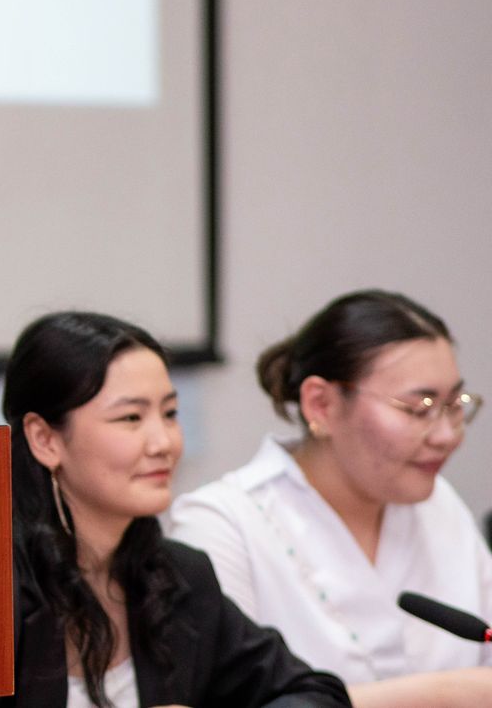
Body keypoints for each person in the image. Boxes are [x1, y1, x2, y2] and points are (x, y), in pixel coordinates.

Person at [0, 311, 350, 708]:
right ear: (45, 439)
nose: (163, 443)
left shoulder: (178, 576)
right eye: (131, 417)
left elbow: (317, 694)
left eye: (169, 414)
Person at [168, 290, 492, 707]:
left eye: (454, 405)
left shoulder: (438, 502)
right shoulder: (223, 524)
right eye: (419, 407)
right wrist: (450, 692)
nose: (447, 435)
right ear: (320, 404)